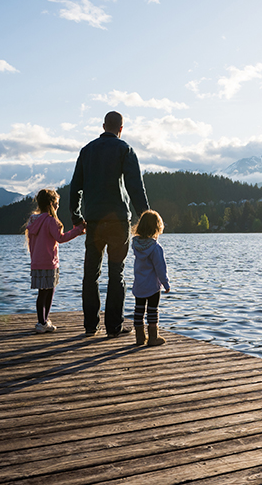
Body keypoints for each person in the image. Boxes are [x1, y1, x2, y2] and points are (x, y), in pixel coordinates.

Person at [69, 111, 150, 338]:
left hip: (94, 221)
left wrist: (76, 217)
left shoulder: (86, 151)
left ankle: (90, 326)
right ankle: (114, 327)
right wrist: (146, 217)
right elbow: (135, 186)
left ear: (104, 126)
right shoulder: (125, 149)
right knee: (117, 273)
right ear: (121, 129)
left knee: (91, 274)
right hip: (118, 222)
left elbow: (75, 187)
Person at [26, 188, 85, 333]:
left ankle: (41, 322)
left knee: (41, 293)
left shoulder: (33, 220)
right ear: (51, 204)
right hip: (49, 262)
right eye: (57, 203)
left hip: (36, 263)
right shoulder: (50, 221)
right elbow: (61, 238)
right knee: (50, 291)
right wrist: (78, 230)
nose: (58, 206)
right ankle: (43, 322)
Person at [131, 210, 171, 346]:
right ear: (157, 227)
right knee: (152, 311)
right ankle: (153, 337)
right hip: (153, 286)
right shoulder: (155, 248)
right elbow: (160, 268)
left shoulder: (136, 245)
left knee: (139, 310)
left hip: (139, 285)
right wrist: (165, 283)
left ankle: (140, 337)